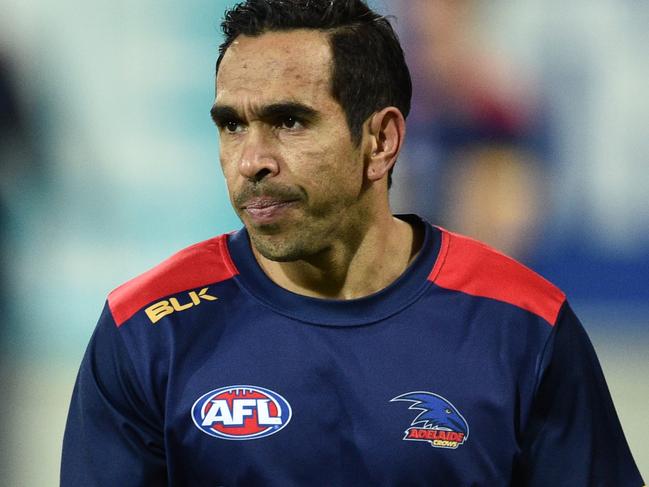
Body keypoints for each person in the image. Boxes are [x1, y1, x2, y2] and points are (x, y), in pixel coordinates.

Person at [61, 1, 644, 485]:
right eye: (231, 124)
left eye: (289, 121)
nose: (251, 161)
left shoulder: (524, 327)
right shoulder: (145, 331)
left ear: (382, 140)